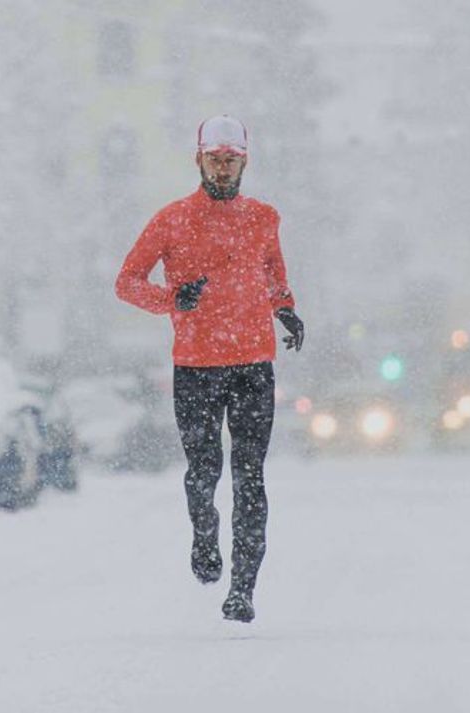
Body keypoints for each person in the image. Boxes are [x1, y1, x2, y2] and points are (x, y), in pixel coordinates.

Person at [114, 115, 304, 623]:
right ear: (198, 159)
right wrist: (172, 299)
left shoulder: (263, 218)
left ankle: (242, 589)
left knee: (250, 477)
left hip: (252, 365)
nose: (223, 169)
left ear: (245, 162)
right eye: (215, 159)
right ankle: (204, 533)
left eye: (232, 160)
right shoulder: (171, 220)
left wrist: (285, 308)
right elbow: (127, 282)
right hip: (196, 366)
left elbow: (273, 272)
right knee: (204, 471)